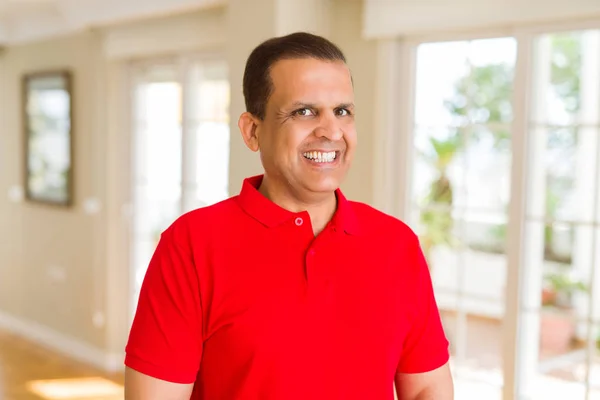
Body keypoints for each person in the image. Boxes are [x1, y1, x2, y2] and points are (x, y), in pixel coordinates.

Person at [124, 32, 453, 400]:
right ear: (253, 131)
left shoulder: (396, 243)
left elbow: (427, 386)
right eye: (304, 111)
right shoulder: (192, 245)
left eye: (342, 111)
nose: (331, 131)